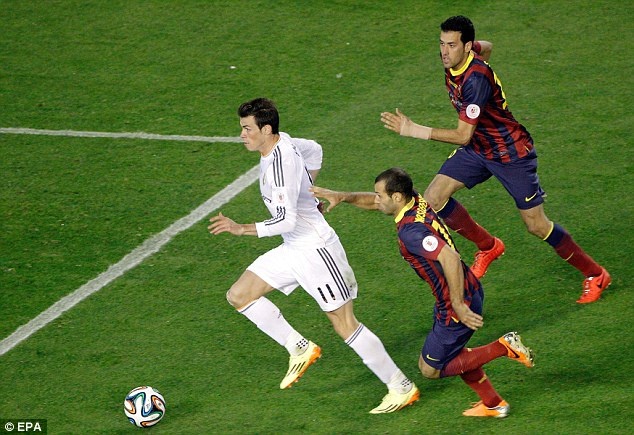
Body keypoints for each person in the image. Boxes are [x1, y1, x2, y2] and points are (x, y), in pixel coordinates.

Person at [208, 98, 419, 414]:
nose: (242, 135)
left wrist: (241, 229)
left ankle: (401, 387)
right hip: (294, 247)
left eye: (247, 129)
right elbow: (315, 150)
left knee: (344, 323)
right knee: (239, 295)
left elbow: (286, 220)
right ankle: (299, 347)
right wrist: (307, 191)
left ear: (266, 129)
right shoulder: (284, 142)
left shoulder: (279, 167)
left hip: (317, 250)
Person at [380, 15, 610, 304]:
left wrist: (413, 130)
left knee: (536, 225)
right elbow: (486, 47)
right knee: (434, 197)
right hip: (480, 148)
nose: (444, 52)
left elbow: (463, 135)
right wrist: (473, 48)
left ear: (465, 47)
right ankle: (489, 247)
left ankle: (595, 274)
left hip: (510, 153)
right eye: (442, 44)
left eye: (452, 45)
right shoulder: (462, 57)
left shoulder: (475, 80)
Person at [311, 167, 534, 418]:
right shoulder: (415, 200)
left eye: (380, 195)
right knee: (452, 353)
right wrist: (343, 196)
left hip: (456, 302)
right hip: (466, 288)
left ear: (397, 197)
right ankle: (494, 404)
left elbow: (450, 258)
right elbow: (374, 203)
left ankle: (504, 347)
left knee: (430, 368)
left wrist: (458, 304)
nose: (376, 200)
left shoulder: (412, 232)